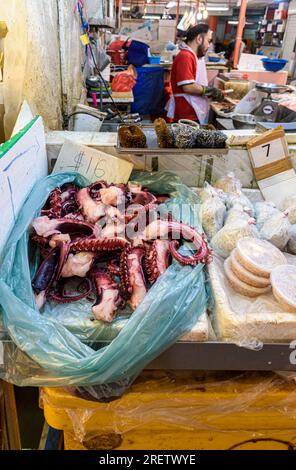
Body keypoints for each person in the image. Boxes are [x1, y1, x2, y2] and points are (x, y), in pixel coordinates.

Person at [166, 23, 224, 123]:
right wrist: (210, 91)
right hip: (186, 113)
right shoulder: (185, 56)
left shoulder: (193, 56)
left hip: (192, 111)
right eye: (208, 40)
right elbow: (188, 87)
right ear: (199, 39)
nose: (209, 45)